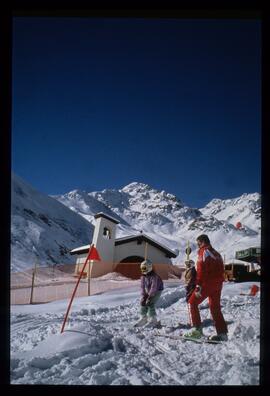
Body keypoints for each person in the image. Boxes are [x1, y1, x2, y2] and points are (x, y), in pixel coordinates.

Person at [184, 234, 228, 342]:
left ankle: (196, 330)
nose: (198, 245)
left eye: (198, 243)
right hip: (218, 284)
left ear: (202, 241)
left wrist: (198, 285)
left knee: (192, 302)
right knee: (215, 307)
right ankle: (222, 333)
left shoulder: (203, 251)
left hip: (207, 283)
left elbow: (201, 269)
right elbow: (222, 269)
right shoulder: (217, 253)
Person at [134, 259, 164, 328]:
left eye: (144, 268)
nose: (143, 270)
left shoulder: (154, 276)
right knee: (143, 302)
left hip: (157, 291)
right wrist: (144, 295)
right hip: (149, 290)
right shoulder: (143, 276)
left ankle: (153, 320)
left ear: (149, 268)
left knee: (150, 303)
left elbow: (154, 287)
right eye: (142, 268)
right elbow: (142, 286)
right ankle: (143, 318)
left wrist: (150, 297)